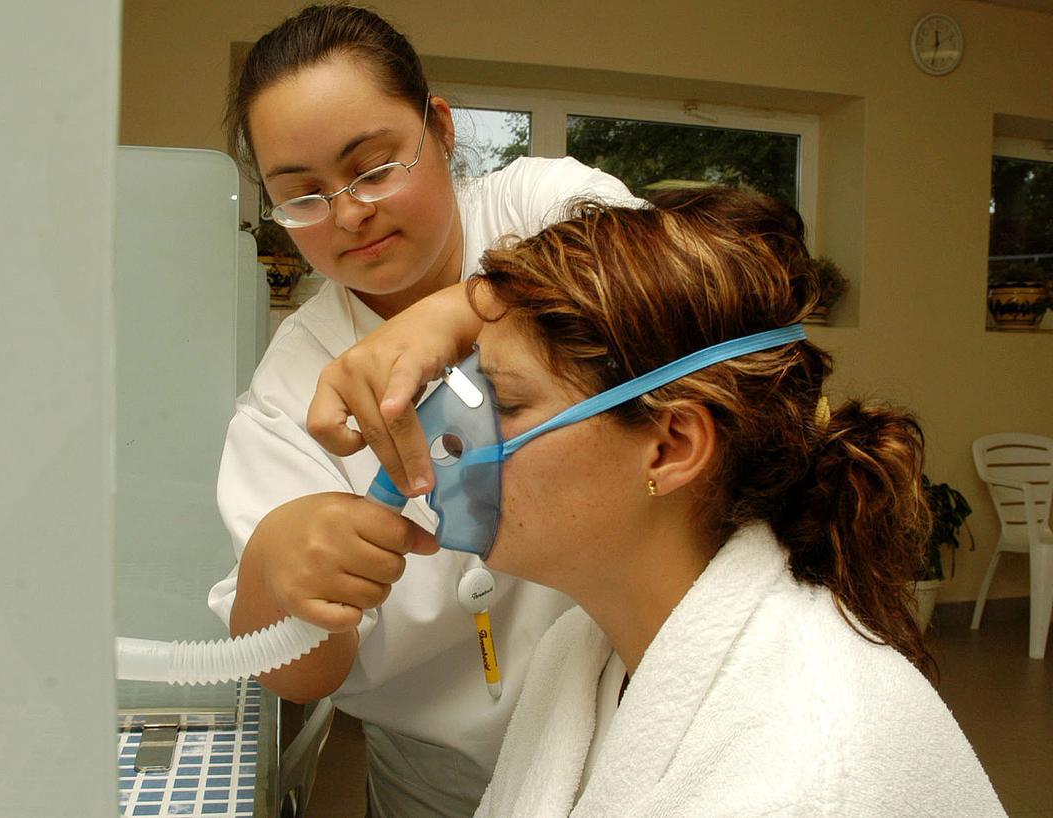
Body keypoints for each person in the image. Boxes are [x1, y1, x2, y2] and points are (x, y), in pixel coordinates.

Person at [313, 191, 1004, 816]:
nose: (453, 436)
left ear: (671, 446)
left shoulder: (804, 779)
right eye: (473, 385)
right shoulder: (581, 654)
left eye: (510, 401)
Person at [208, 4, 640, 814]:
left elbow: (679, 285)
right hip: (443, 781)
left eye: (373, 169)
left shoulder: (540, 207)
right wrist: (277, 568)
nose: (348, 214)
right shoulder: (292, 385)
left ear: (438, 129)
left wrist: (460, 312)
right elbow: (300, 673)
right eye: (301, 197)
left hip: (642, 728)